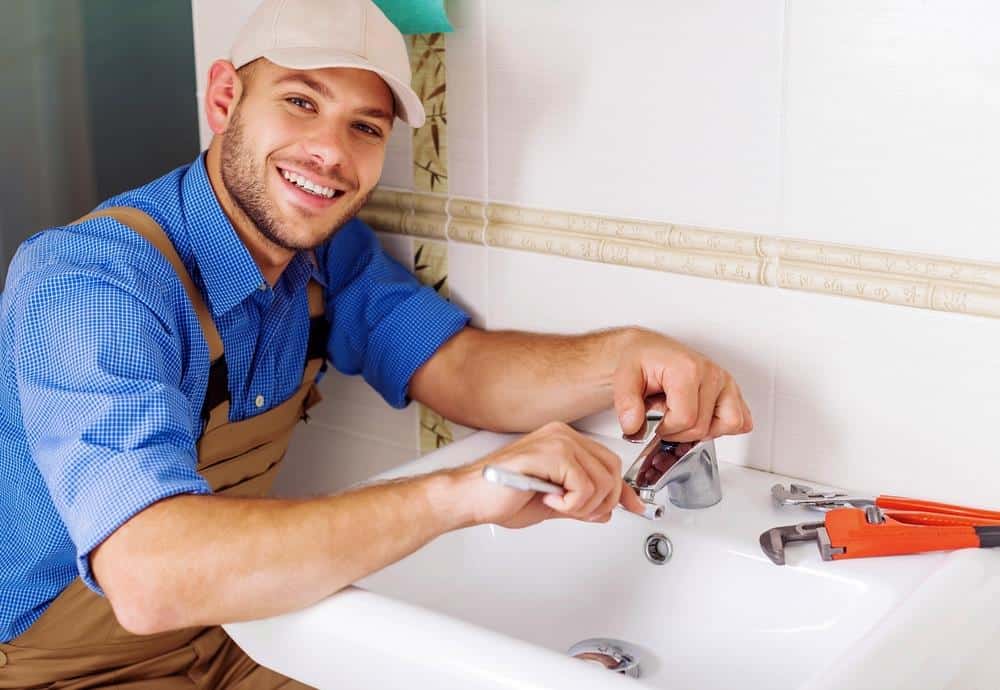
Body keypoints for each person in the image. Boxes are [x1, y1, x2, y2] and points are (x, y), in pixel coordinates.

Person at [0, 0, 753, 687]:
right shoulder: (93, 283)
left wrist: (625, 357)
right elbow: (146, 575)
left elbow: (461, 367)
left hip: (232, 634)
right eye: (300, 102)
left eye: (364, 126)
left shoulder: (323, 256)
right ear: (225, 98)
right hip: (52, 670)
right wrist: (464, 492)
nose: (330, 152)